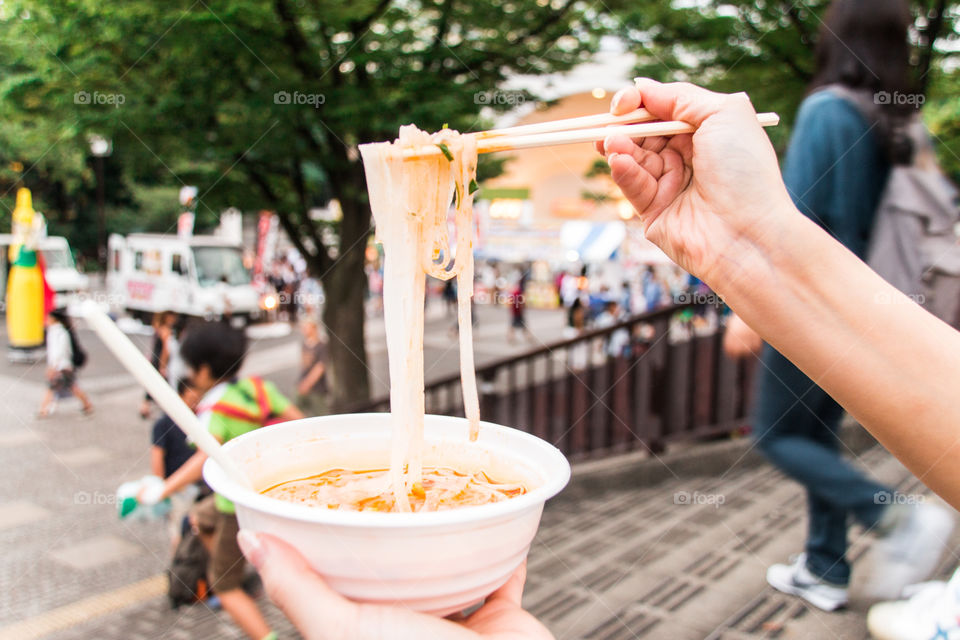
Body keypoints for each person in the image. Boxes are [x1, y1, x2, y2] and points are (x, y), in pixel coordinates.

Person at [237, 79, 960, 638]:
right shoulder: (877, 119)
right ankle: (863, 528)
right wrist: (747, 248)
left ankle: (861, 531)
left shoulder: (833, 114)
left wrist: (753, 248)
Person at [723, 0, 952, 611]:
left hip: (814, 306)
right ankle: (824, 567)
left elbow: (793, 225)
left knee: (776, 433)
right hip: (875, 308)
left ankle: (895, 518)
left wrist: (750, 308)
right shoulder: (896, 120)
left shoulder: (828, 111)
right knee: (815, 434)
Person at [141, 321, 304, 640]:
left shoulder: (217, 409)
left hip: (236, 505)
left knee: (224, 586)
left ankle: (265, 631)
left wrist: (164, 489)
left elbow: (204, 458)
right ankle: (241, 562)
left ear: (203, 371)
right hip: (265, 493)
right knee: (198, 516)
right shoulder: (258, 389)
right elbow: (298, 423)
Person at [150, 378, 203, 548]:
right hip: (177, 486)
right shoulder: (164, 423)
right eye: (191, 399)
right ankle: (180, 567)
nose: (194, 404)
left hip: (202, 485)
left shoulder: (202, 419)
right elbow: (157, 456)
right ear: (180, 397)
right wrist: (161, 486)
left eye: (198, 399)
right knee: (179, 532)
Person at [38, 309, 93, 418]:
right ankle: (87, 405)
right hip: (63, 366)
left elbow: (59, 352)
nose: (46, 320)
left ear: (54, 319)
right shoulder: (57, 331)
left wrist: (53, 367)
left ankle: (43, 410)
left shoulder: (58, 332)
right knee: (71, 386)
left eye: (48, 318)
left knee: (54, 387)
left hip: (61, 367)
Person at [139, 311, 174, 419]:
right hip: (159, 362)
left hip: (155, 359)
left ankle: (145, 407)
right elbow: (165, 350)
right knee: (164, 386)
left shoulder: (158, 327)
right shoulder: (166, 330)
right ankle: (168, 411)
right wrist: (163, 366)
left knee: (152, 385)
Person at [297, 318, 329, 416]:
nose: (304, 330)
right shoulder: (304, 344)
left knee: (320, 414)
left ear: (314, 328)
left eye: (306, 327)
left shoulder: (322, 346)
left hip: (317, 388)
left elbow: (320, 367)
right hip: (302, 384)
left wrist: (307, 384)